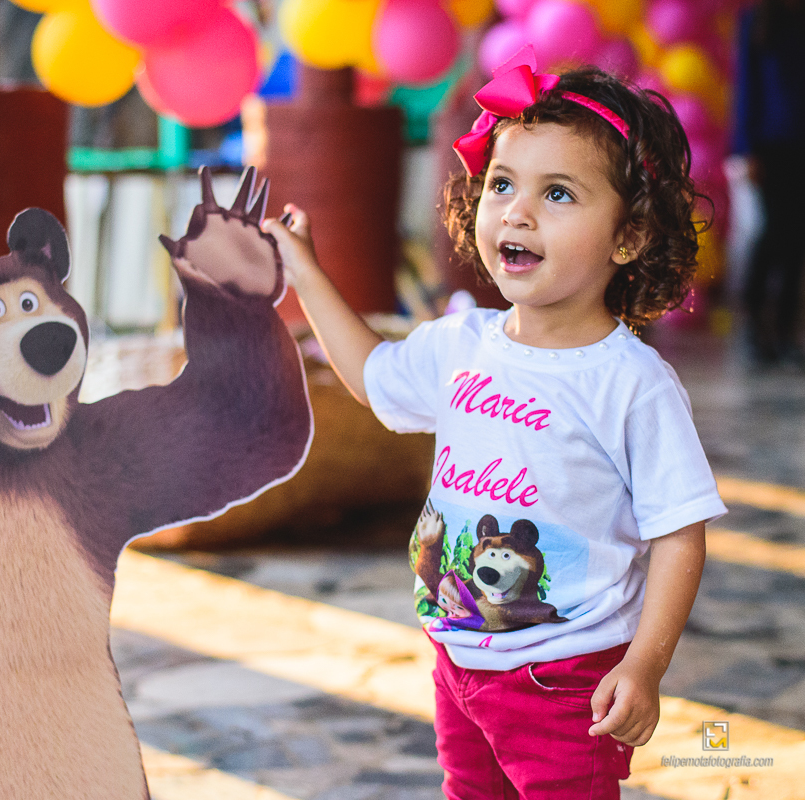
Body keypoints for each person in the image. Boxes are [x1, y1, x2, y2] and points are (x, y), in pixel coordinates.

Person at [262, 47, 727, 799]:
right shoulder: (460, 344)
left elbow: (679, 532)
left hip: (569, 677)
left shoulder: (631, 384)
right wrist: (307, 271)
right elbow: (375, 379)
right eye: (503, 184)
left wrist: (645, 665)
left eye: (559, 194)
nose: (517, 210)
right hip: (458, 656)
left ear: (628, 237)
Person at [733, 0, 805, 364]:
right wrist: (746, 149)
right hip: (769, 147)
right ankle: (753, 324)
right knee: (773, 233)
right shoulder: (757, 22)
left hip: (800, 147)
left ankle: (785, 334)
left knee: (796, 241)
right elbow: (746, 86)